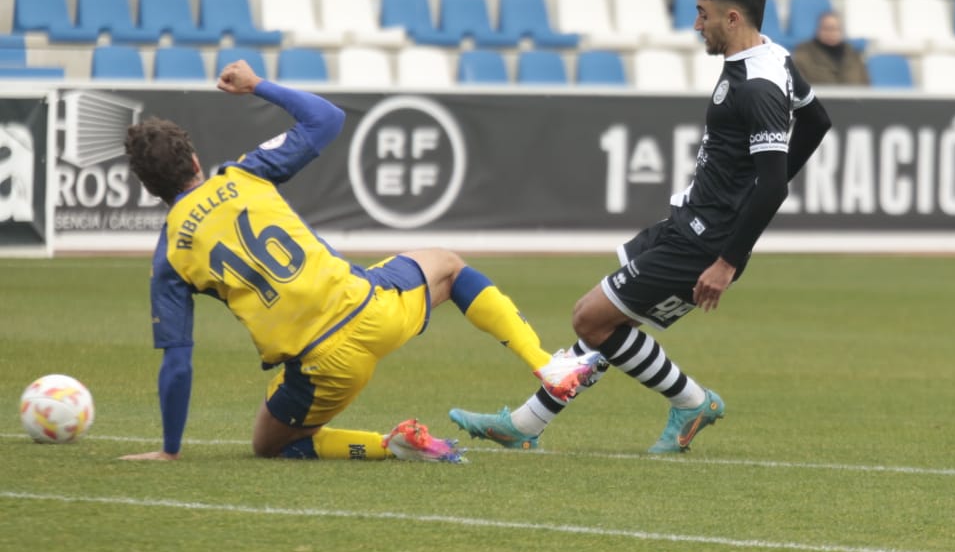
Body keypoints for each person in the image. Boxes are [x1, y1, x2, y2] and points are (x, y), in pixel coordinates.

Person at [119, 59, 602, 463]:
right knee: (449, 268)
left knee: (270, 444)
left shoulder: (171, 255)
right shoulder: (244, 174)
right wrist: (257, 85)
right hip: (374, 311)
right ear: (196, 159)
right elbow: (326, 118)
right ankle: (546, 364)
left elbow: (178, 362)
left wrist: (170, 450)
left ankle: (391, 446)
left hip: (323, 369)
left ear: (148, 187)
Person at [450, 0, 831, 453]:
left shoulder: (758, 85)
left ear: (732, 18)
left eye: (703, 15)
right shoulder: (772, 56)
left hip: (705, 240)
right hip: (690, 221)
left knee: (590, 318)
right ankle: (526, 425)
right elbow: (817, 121)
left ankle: (692, 402)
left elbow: (774, 183)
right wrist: (748, 191)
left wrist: (727, 259)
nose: (697, 25)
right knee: (609, 324)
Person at [791, 10, 867, 85]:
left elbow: (865, 84)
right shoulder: (803, 55)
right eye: (826, 28)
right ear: (818, 30)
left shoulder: (854, 56)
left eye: (835, 29)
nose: (831, 33)